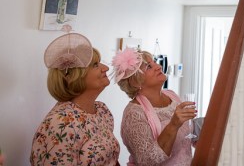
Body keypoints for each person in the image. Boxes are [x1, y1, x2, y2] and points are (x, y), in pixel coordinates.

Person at [30, 31, 120, 165]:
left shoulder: (102, 111)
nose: (106, 68)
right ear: (75, 76)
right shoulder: (61, 123)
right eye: (95, 65)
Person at [112, 48, 196, 165]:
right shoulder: (133, 114)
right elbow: (147, 161)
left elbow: (187, 137)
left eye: (154, 62)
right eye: (149, 67)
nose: (159, 66)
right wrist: (173, 125)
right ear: (136, 82)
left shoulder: (172, 95)